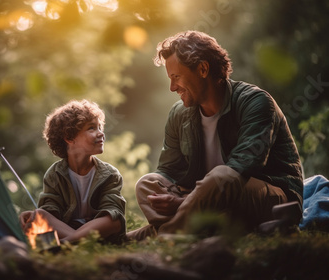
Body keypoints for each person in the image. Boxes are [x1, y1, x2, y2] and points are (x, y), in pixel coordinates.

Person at [127, 31, 304, 240]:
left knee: (223, 176)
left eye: (176, 77)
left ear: (203, 69)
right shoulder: (179, 114)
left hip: (270, 197)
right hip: (209, 200)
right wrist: (175, 198)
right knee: (148, 183)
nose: (172, 87)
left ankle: (168, 235)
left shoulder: (255, 102)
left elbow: (243, 167)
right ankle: (196, 227)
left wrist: (184, 202)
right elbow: (168, 170)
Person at [19, 99, 126, 243]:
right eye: (92, 128)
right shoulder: (54, 174)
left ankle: (68, 243)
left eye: (100, 127)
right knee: (39, 215)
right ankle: (83, 242)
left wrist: (67, 239)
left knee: (114, 219)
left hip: (97, 231)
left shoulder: (110, 174)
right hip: (71, 230)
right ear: (69, 137)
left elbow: (113, 215)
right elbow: (50, 212)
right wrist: (35, 217)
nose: (101, 134)